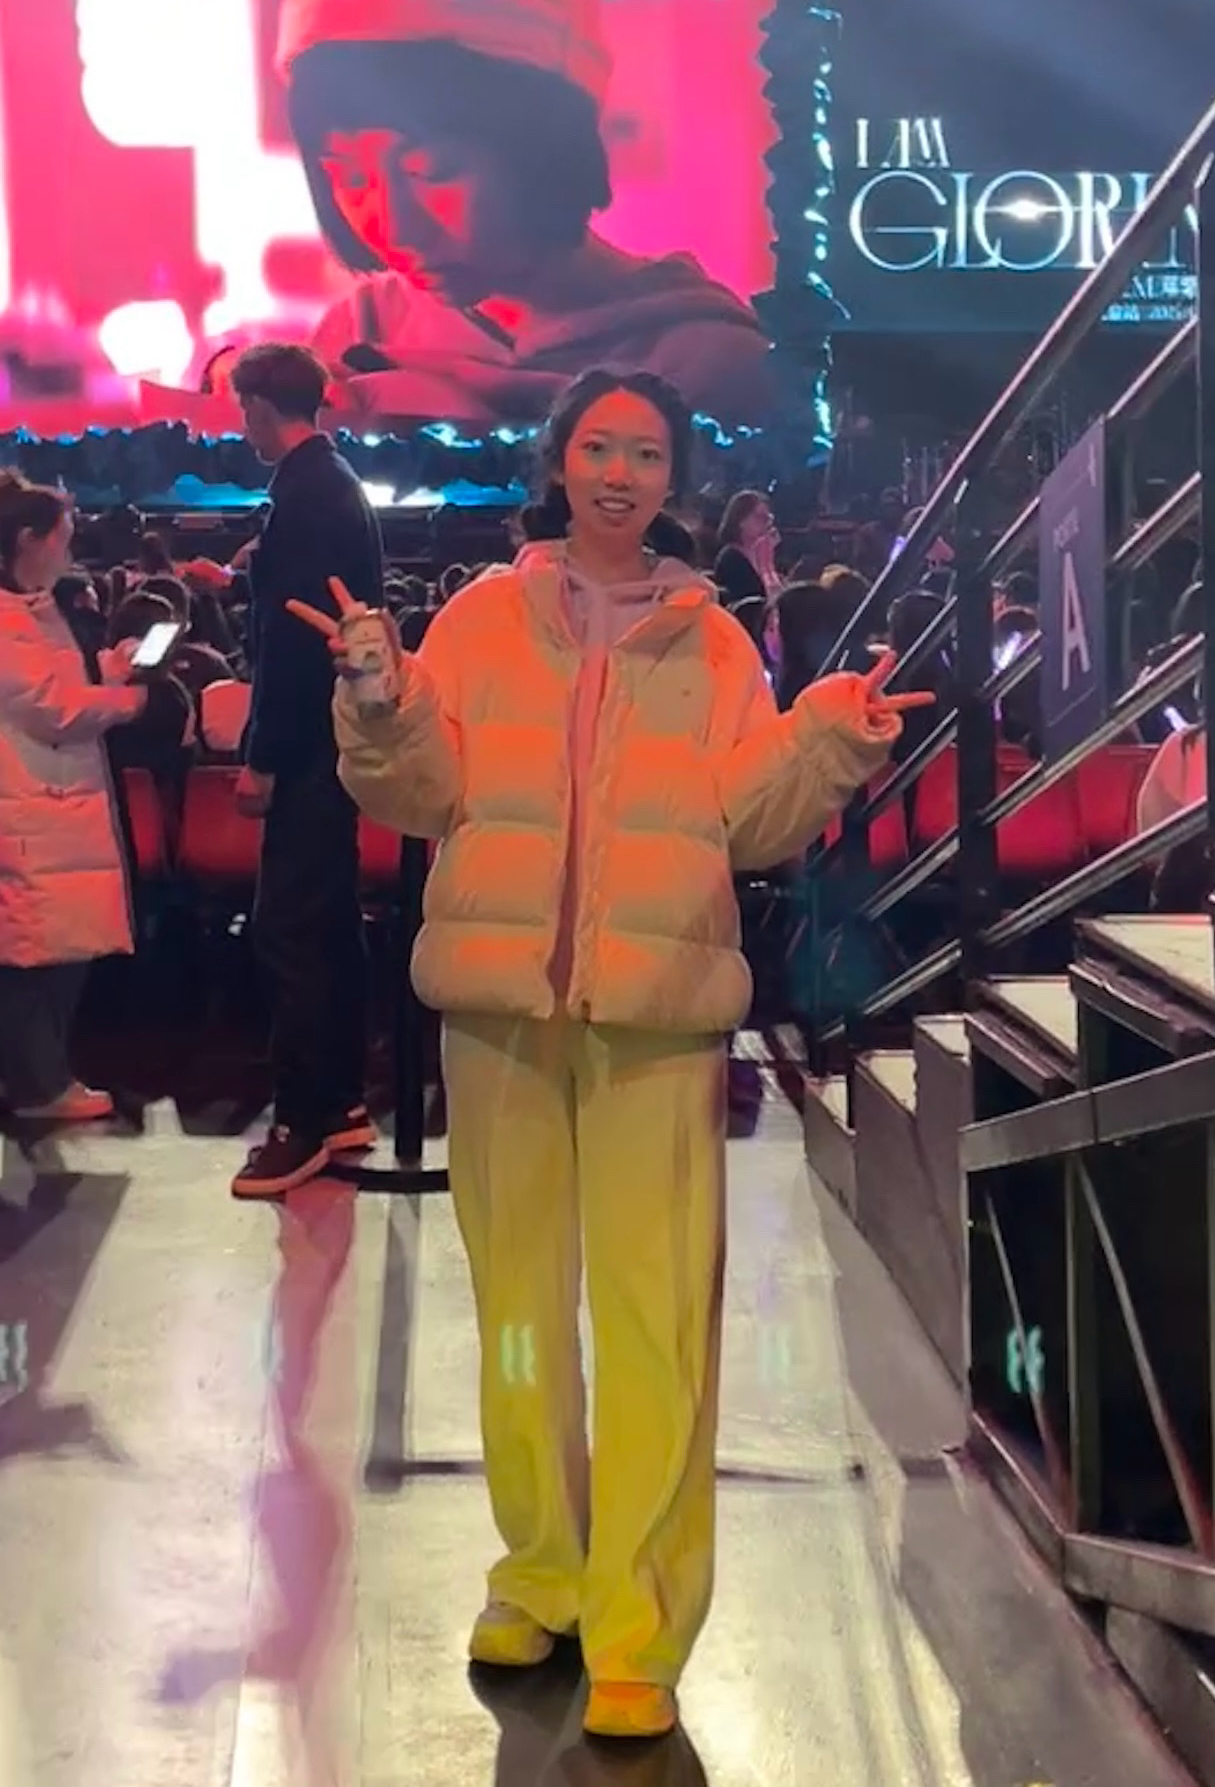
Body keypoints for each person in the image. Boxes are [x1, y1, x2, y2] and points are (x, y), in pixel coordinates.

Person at [291, 368, 926, 1739]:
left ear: (672, 474)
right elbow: (423, 795)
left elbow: (746, 822)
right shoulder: (477, 617)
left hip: (656, 1010)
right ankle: (539, 1570)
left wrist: (827, 741)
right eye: (599, 447)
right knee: (519, 1314)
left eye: (645, 451)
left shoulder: (716, 641)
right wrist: (380, 700)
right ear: (559, 461)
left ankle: (638, 1619)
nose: (620, 472)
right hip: (500, 1009)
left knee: (654, 1322)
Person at [276, 0, 776, 431]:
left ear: (545, 149)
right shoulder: (363, 326)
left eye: (433, 172)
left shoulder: (706, 362)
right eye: (351, 177)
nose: (396, 229)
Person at [228, 343, 385, 1201]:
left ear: (259, 406)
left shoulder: (307, 493)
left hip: (308, 748)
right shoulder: (331, 483)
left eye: (240, 410)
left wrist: (263, 758)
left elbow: (290, 646)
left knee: (290, 930)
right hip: (332, 742)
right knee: (323, 923)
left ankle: (304, 1120)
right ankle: (341, 1103)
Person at [0, 474, 149, 1124]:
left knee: (47, 950)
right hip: (31, 805)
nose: (69, 549)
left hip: (46, 802)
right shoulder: (12, 619)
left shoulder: (33, 609)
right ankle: (39, 1085)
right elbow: (51, 707)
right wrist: (126, 699)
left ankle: (39, 1078)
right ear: (27, 540)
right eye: (61, 537)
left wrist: (108, 673)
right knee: (35, 956)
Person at [713, 489, 780, 611]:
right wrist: (765, 565)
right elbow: (756, 604)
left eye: (768, 518)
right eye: (760, 517)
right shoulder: (731, 558)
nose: (767, 523)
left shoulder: (764, 553)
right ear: (741, 521)